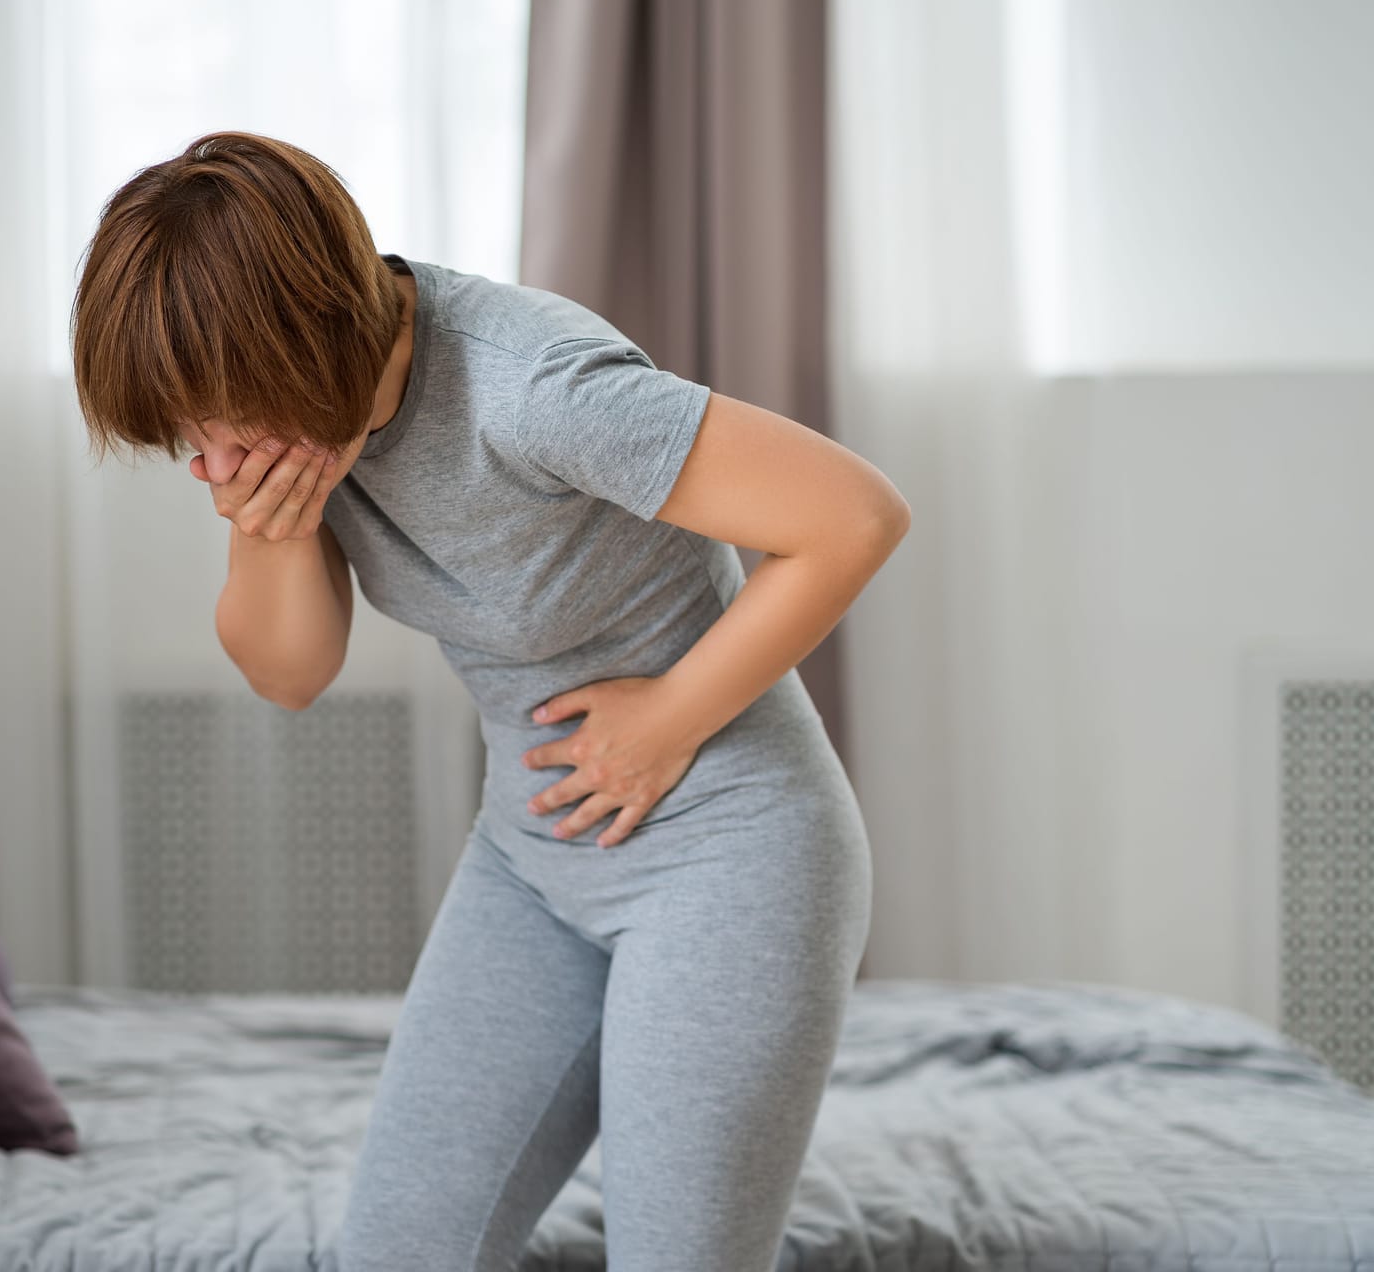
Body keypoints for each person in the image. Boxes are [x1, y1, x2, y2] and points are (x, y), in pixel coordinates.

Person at [70, 130, 906, 1272]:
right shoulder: (295, 440)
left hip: (731, 853)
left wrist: (664, 720)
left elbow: (854, 514)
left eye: (218, 423)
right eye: (187, 437)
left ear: (304, 337)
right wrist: (272, 529)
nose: (207, 463)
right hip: (532, 860)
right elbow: (290, 674)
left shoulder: (535, 387)